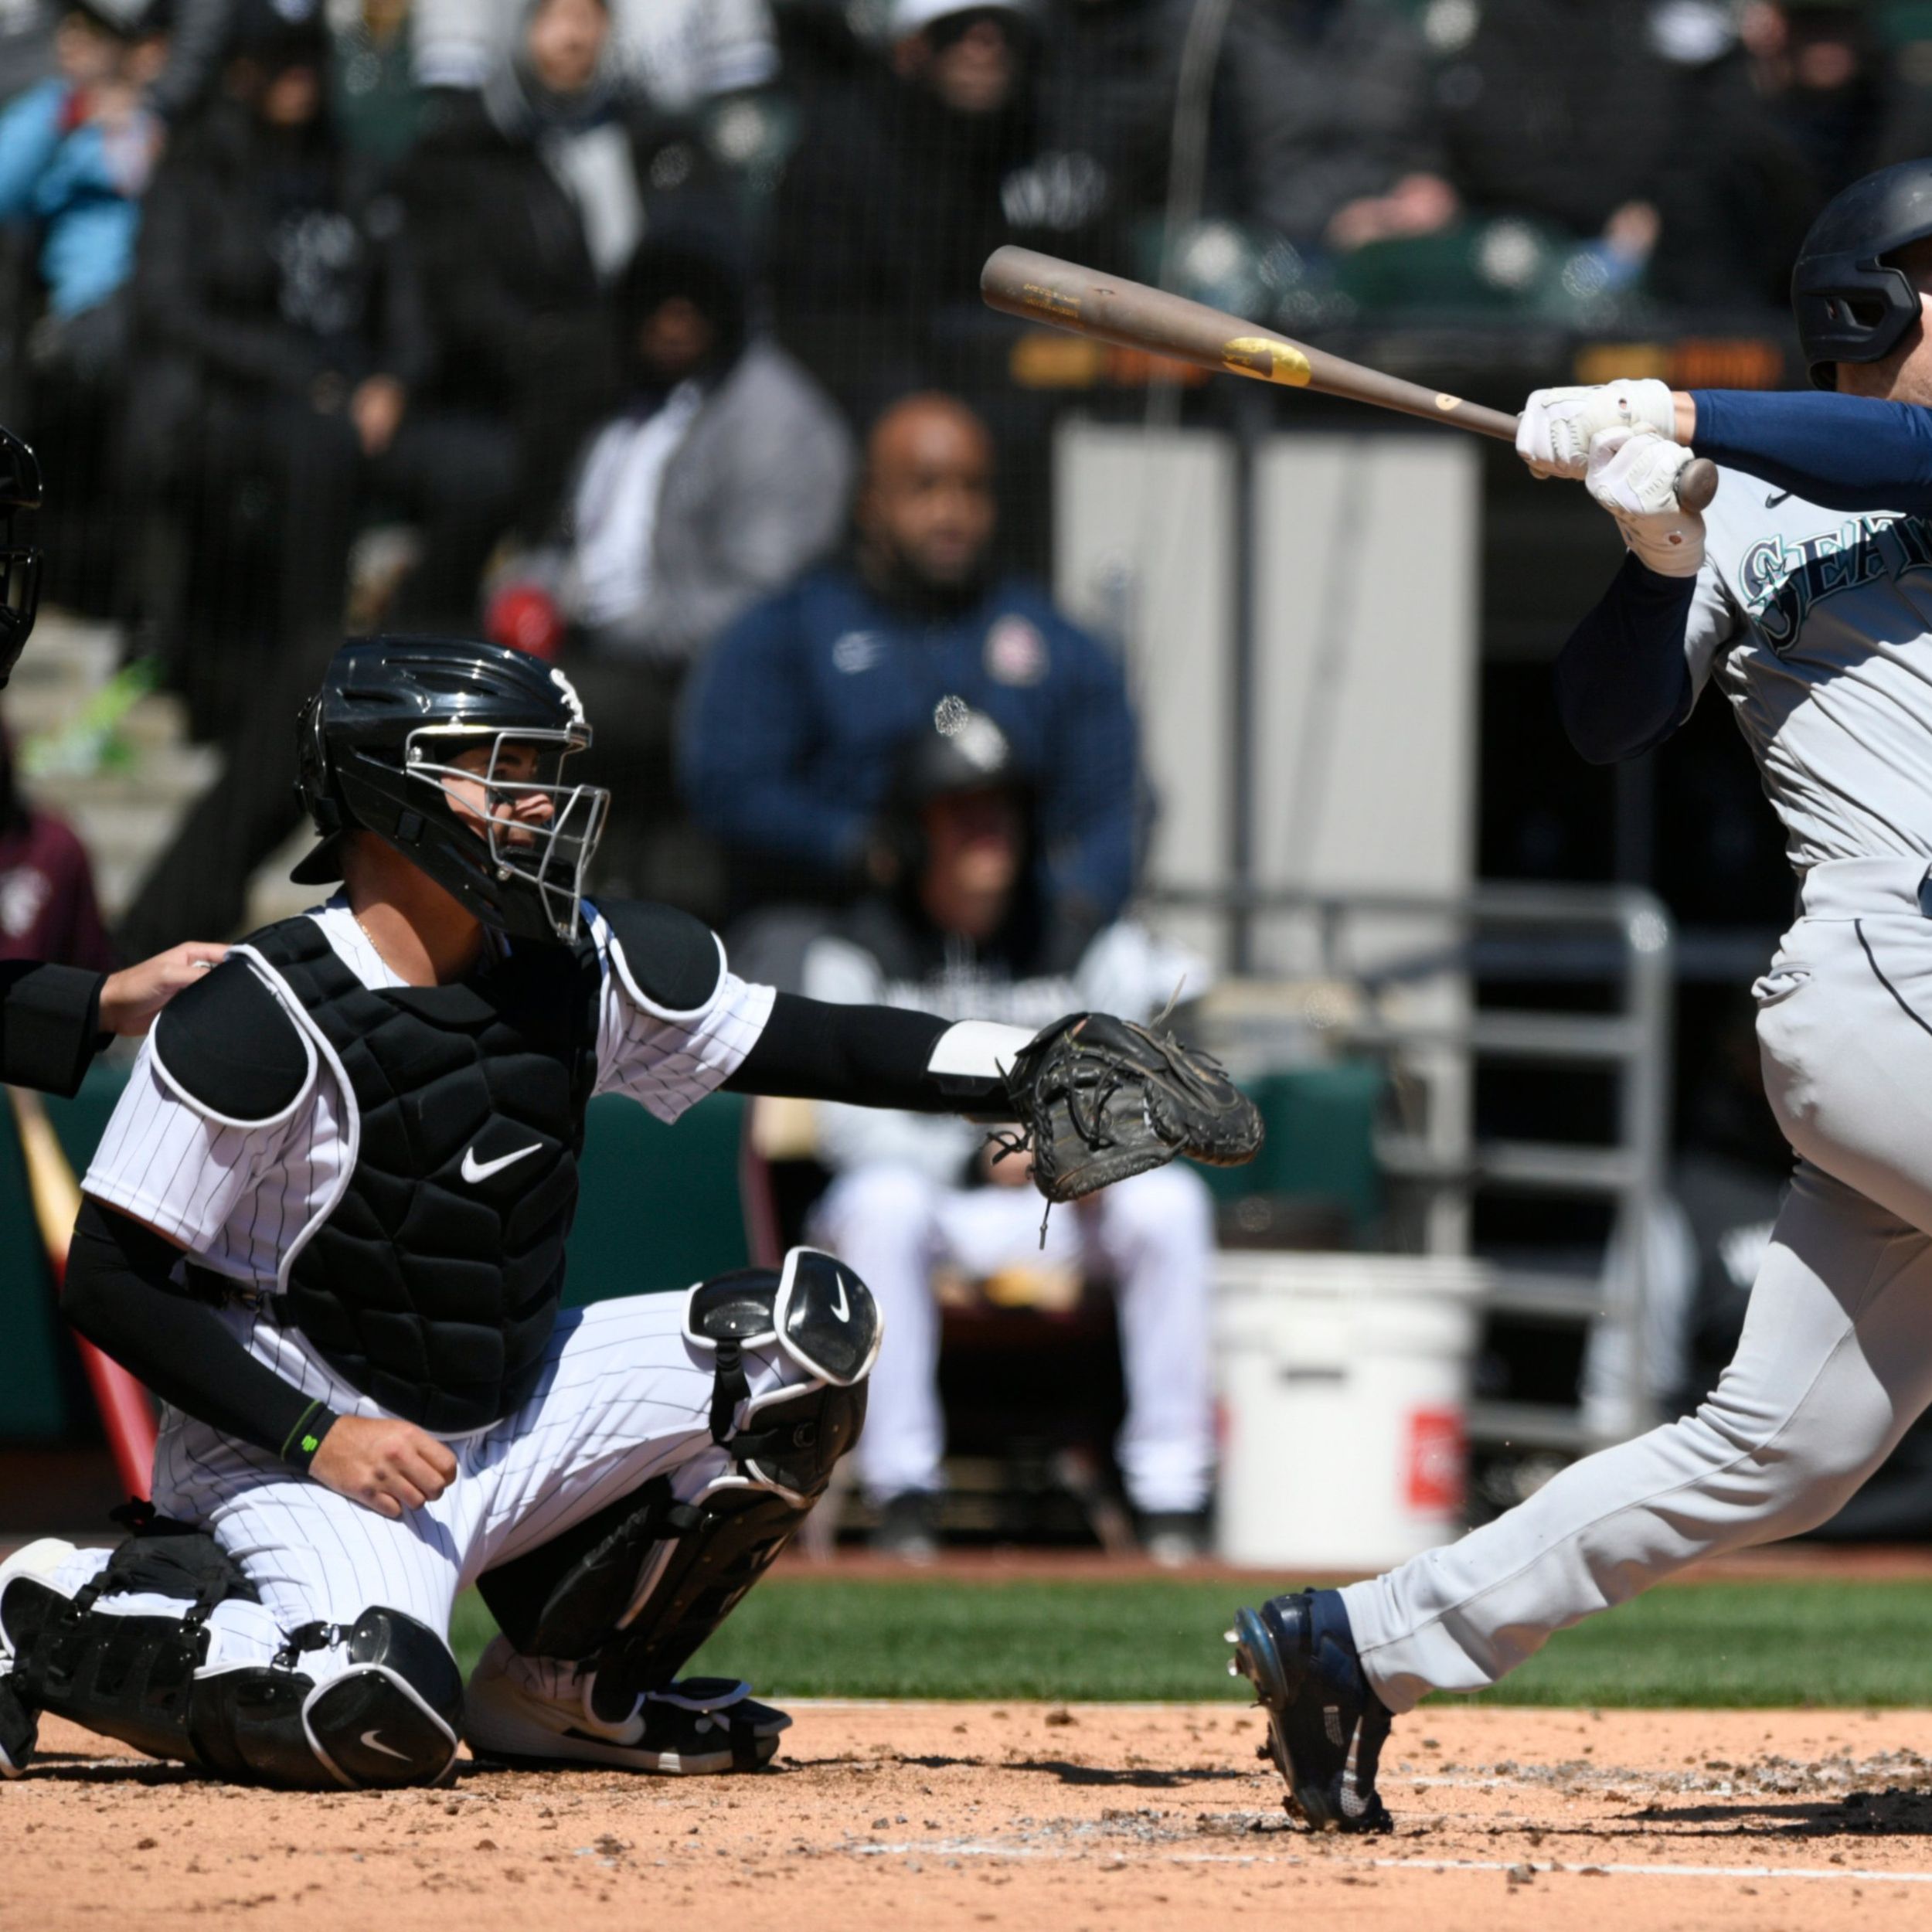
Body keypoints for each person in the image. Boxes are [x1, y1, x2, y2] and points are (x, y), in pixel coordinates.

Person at [0, 631, 1225, 1789]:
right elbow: (107, 1279)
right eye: (505, 775)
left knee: (805, 1342)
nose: (541, 806)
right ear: (389, 793)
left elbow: (811, 1040)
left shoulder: (577, 961)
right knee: (372, 1712)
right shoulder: (256, 1015)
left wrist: (1025, 1064)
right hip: (308, 1453)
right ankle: (54, 1609)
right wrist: (320, 1437)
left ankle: (565, 1687)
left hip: (506, 1407)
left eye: (544, 774)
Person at [1227, 155, 1932, 1832]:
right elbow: (1607, 717)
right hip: (1882, 975)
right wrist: (1651, 537)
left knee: (1783, 1443)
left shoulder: (1817, 445)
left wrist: (1674, 402)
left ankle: (1354, 1642)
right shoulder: (1734, 495)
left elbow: (1907, 453)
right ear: (1879, 303)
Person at [805, 705, 1216, 1562]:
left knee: (1169, 1205)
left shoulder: (1074, 932)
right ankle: (903, 1492)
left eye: (1000, 809)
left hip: (1055, 1210)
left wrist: (1078, 1142)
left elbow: (1154, 1055)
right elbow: (848, 1129)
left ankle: (1172, 1496)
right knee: (879, 1201)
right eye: (962, 811)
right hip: (933, 1211)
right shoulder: (858, 947)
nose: (988, 830)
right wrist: (978, 1145)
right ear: (916, 828)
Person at [682, 391, 1139, 964]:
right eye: (925, 487)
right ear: (870, 500)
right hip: (842, 930)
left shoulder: (1055, 643)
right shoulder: (787, 634)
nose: (952, 514)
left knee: (1137, 966)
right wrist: (855, 845)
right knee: (786, 962)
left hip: (1017, 941)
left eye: (972, 488)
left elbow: (1116, 802)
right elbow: (730, 787)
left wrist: (1079, 904)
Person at [487, 218, 855, 896]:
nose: (676, 317)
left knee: (510, 712)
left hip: (699, 685)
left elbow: (763, 605)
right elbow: (576, 547)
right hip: (595, 654)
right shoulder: (631, 411)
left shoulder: (771, 418)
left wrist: (621, 626)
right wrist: (526, 592)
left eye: (698, 299)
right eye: (659, 297)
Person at [399, 0, 624, 535]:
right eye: (554, 19)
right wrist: (543, 343)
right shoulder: (466, 152)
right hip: (505, 391)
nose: (573, 39)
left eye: (588, 20)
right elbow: (462, 298)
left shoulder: (647, 139)